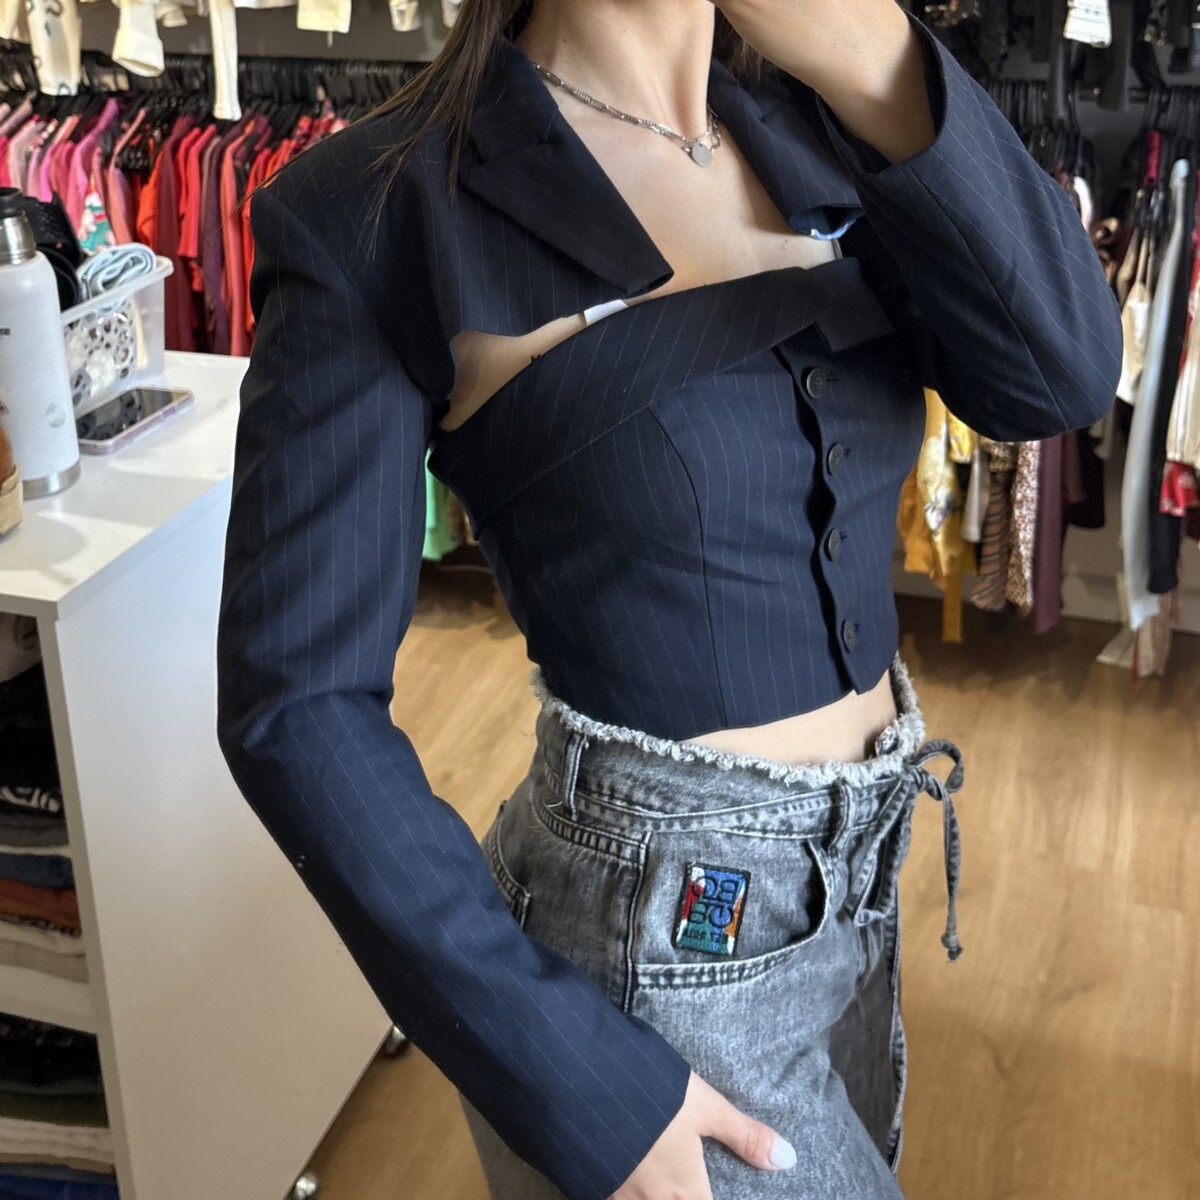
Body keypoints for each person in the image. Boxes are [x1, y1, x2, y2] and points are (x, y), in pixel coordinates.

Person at [215, 1, 1122, 1197]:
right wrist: (569, 1071)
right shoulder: (380, 206)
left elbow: (1060, 373)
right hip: (649, 949)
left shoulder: (824, 120)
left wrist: (873, 54)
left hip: (857, 888)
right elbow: (297, 707)